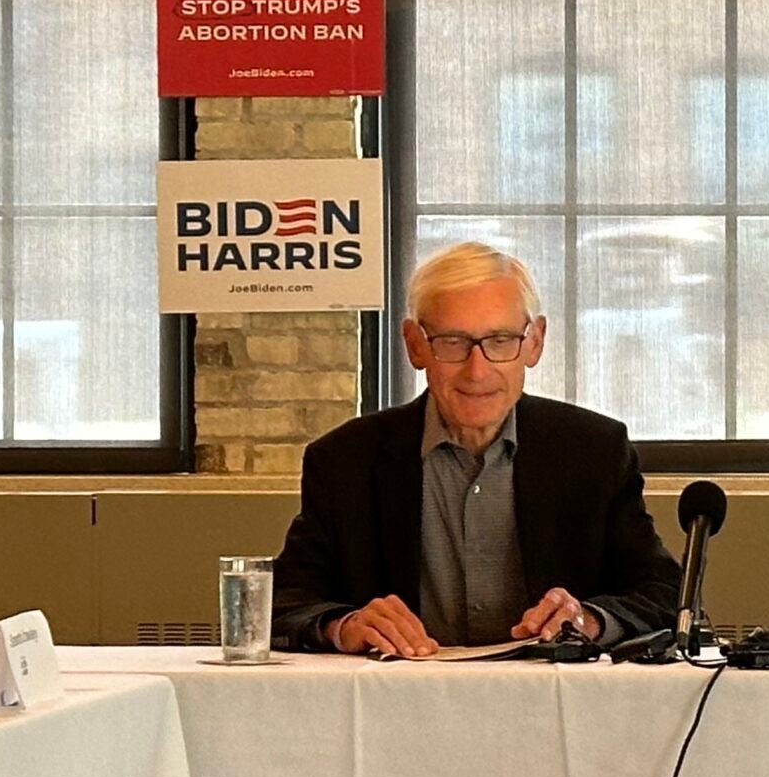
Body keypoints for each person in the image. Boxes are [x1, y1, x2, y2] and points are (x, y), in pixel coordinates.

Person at [270, 242, 681, 656]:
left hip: (551, 691)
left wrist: (587, 620)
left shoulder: (593, 450)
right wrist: (343, 626)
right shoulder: (345, 460)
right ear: (414, 345)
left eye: (500, 340)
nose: (477, 370)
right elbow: (279, 605)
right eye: (452, 342)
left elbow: (665, 595)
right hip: (398, 691)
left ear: (535, 342)